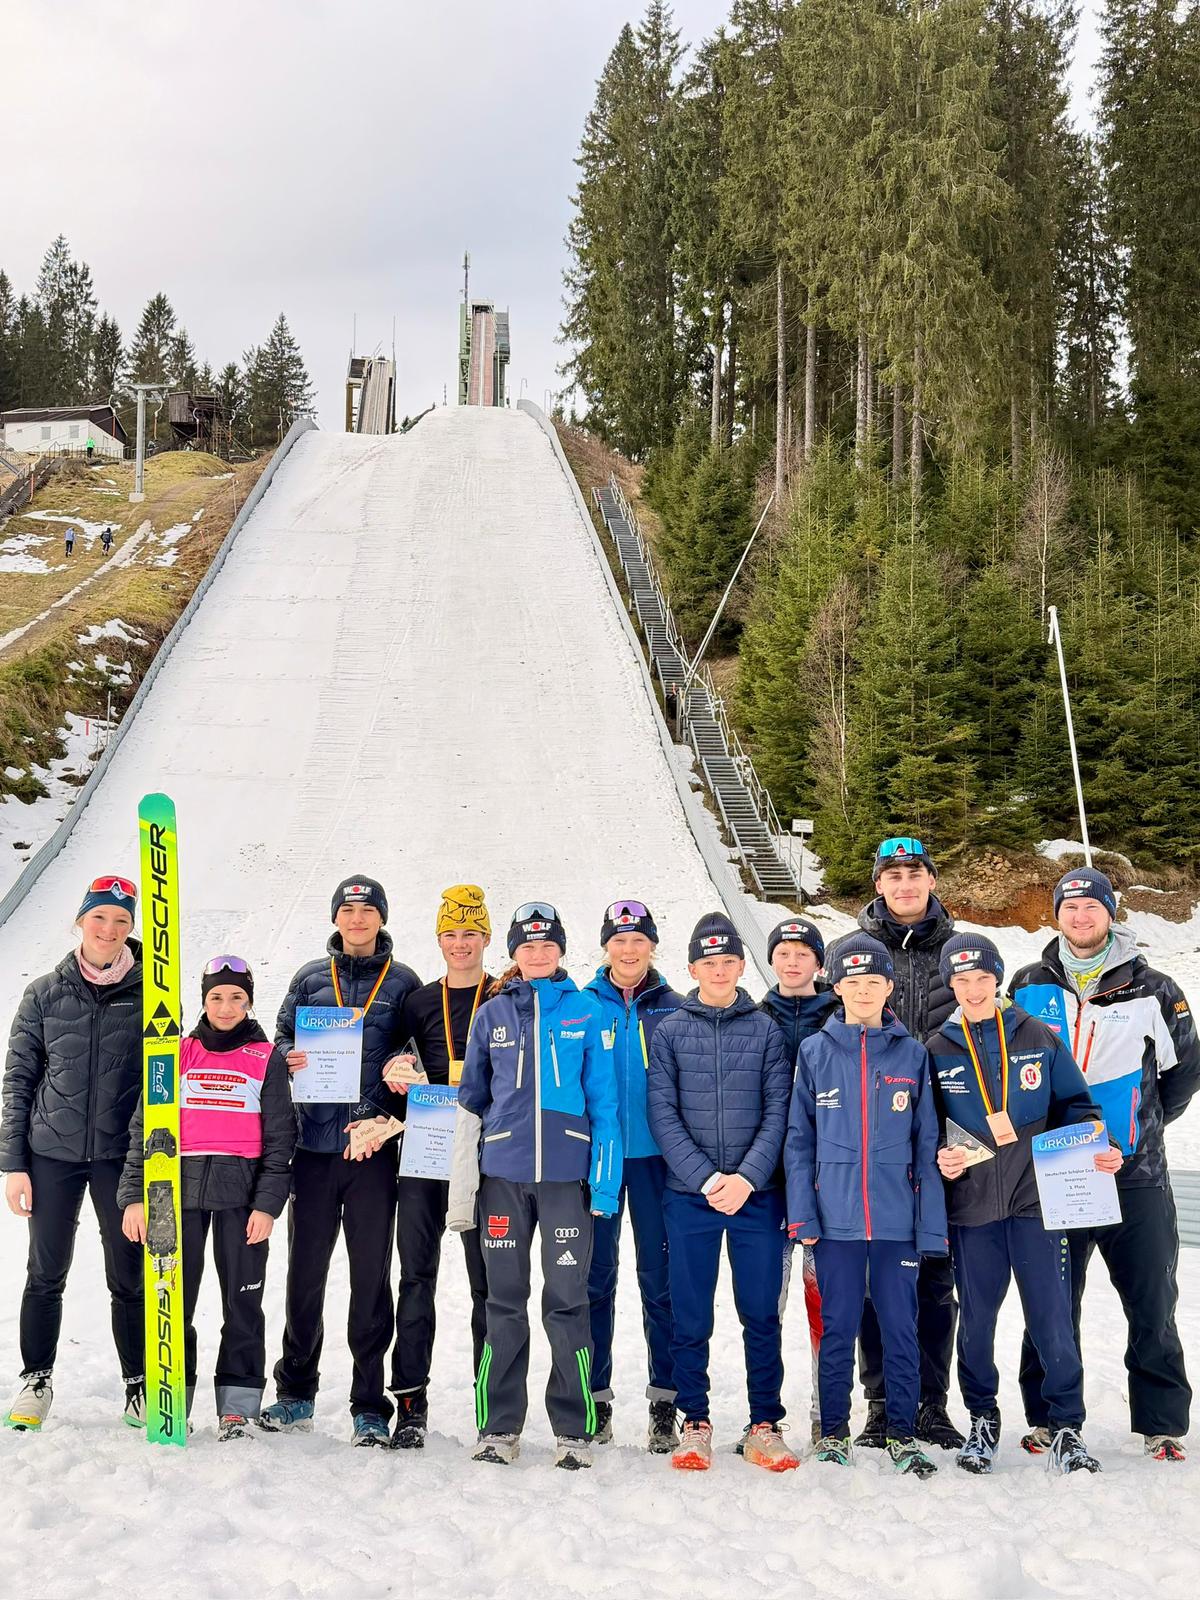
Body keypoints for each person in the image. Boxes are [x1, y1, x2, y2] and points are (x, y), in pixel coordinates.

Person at [1011, 867, 1200, 1463]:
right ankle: (1047, 1417)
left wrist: (1138, 1132)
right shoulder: (1026, 984)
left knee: (1151, 1301)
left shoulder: (1156, 988)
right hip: (1055, 1174)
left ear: (1111, 913)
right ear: (1057, 915)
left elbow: (1184, 1074)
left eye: (1092, 906)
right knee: (1050, 1300)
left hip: (1133, 1176)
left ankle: (1162, 1422)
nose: (1080, 916)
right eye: (1069, 907)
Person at [930, 933, 1116, 1475]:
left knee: (1052, 1318)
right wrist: (941, 1155)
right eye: (960, 980)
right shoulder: (936, 1047)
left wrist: (1093, 1141)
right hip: (973, 1208)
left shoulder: (1037, 1035)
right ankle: (983, 1420)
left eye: (982, 978)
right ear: (951, 984)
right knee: (978, 1321)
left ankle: (1066, 1427)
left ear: (997, 979)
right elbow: (926, 1129)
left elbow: (1078, 1106)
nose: (972, 988)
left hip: (1038, 1202)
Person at [448, 902, 621, 1470]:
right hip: (503, 1178)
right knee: (503, 1302)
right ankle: (498, 1427)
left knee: (568, 1303)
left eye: (548, 946)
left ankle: (574, 1429)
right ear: (514, 954)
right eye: (528, 946)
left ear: (562, 951)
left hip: (566, 1180)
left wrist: (603, 1185)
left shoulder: (586, 1011)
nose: (539, 954)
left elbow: (605, 1105)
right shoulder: (492, 1015)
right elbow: (471, 1103)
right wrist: (462, 1189)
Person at [260, 876, 420, 1446]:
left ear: (381, 917)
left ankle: (368, 1403)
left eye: (367, 910)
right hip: (313, 1149)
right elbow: (275, 1040)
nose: (358, 919)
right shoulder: (309, 977)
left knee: (371, 1279)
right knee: (305, 1273)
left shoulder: (403, 982)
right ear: (336, 918)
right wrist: (288, 1055)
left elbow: (418, 1052)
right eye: (348, 910)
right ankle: (295, 1392)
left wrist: (404, 1070)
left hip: (372, 1151)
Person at [786, 934, 946, 1478]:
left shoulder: (911, 1053)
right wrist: (803, 1214)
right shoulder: (815, 1052)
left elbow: (927, 1144)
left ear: (888, 987)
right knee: (837, 1328)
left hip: (898, 1223)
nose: (862, 991)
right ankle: (832, 1432)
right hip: (835, 1225)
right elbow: (798, 1141)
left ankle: (902, 1433)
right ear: (837, 986)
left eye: (872, 982)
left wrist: (931, 1227)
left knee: (902, 1329)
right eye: (851, 983)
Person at [119, 956, 294, 1438]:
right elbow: (144, 1128)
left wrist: (266, 1204)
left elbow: (281, 1139)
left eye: (236, 996)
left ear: (250, 1001)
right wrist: (135, 1196)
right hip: (177, 1196)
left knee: (242, 1302)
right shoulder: (175, 1053)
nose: (226, 1005)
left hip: (241, 1198)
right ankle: (172, 1393)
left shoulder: (266, 1058)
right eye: (216, 996)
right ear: (204, 1000)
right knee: (174, 1299)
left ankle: (236, 1403)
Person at [647, 912, 796, 1474]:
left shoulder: (763, 1030)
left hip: (756, 1197)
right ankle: (694, 1420)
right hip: (691, 1197)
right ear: (692, 968)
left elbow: (778, 1109)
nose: (719, 971)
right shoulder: (670, 1031)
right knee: (690, 1311)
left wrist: (747, 1178)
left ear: (740, 966)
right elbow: (663, 1113)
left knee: (760, 1312)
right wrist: (708, 1179)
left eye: (729, 961)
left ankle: (764, 1423)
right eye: (708, 963)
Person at [828, 835, 963, 1450]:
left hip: (947, 1147)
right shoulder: (850, 953)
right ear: (877, 884)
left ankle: (929, 1403)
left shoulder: (960, 952)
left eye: (915, 873)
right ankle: (882, 1402)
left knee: (935, 1279)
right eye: (893, 874)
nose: (905, 884)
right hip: (866, 1149)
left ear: (931, 880)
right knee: (870, 1283)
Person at [0, 875, 144, 1431]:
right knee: (45, 1270)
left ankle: (138, 1382)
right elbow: (18, 1079)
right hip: (50, 1154)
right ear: (80, 921)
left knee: (127, 1271)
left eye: (121, 921)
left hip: (119, 1156)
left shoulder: (153, 994)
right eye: (99, 917)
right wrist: (14, 1163)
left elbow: (166, 1078)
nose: (108, 930)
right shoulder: (43, 993)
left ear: (132, 930)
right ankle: (36, 1377)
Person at [382, 884, 493, 1448]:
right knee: (416, 1278)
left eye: (469, 933)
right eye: (449, 934)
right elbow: (394, 1066)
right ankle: (410, 1402)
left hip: (485, 1157)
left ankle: (489, 1405)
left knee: (488, 1288)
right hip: (425, 1155)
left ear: (487, 937)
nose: (459, 943)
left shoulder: (504, 996)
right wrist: (397, 1074)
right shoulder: (419, 1001)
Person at [584, 899, 683, 1452]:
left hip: (655, 1162)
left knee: (659, 1282)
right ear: (606, 945)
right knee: (596, 1279)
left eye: (638, 941)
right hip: (598, 1161)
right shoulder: (584, 1004)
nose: (628, 950)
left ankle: (663, 1400)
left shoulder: (673, 1006)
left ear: (651, 945)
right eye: (619, 941)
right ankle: (595, 1398)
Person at [760, 917, 837, 1445]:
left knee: (822, 1304)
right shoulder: (753, 1015)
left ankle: (824, 1411)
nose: (792, 962)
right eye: (783, 953)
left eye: (802, 953)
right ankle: (764, 1413)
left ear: (818, 962)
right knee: (768, 1303)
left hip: (826, 1183)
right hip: (767, 1183)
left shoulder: (841, 1012)